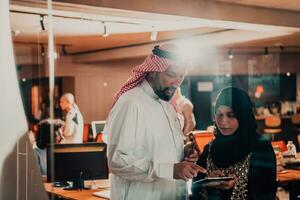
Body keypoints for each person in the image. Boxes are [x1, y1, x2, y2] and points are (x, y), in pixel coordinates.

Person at [104, 44, 206, 200]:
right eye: (172, 74)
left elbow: (159, 152)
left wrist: (183, 151)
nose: (177, 82)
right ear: (152, 71)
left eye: (181, 76)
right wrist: (170, 170)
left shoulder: (168, 104)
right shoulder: (131, 102)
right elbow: (117, 161)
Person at [192, 87, 277, 200]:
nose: (223, 121)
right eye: (219, 114)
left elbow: (267, 193)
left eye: (231, 115)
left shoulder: (260, 148)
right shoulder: (210, 149)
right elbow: (194, 189)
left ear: (243, 115)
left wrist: (235, 186)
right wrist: (207, 182)